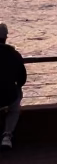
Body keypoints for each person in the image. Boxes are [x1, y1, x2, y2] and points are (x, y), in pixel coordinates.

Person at [0, 23, 27, 151]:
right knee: (15, 105)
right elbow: (22, 79)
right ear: (6, 37)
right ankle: (7, 136)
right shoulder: (14, 54)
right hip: (8, 96)